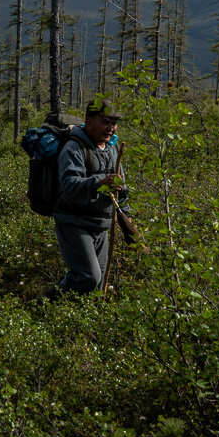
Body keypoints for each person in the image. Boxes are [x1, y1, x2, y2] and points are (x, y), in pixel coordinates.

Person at [48, 98, 133, 296]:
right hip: (74, 222)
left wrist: (126, 214)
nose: (111, 127)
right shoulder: (74, 147)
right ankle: (44, 305)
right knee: (88, 277)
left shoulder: (112, 148)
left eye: (113, 122)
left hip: (100, 224)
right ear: (88, 121)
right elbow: (69, 185)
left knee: (98, 285)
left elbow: (122, 187)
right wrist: (101, 182)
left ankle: (80, 323)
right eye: (105, 121)